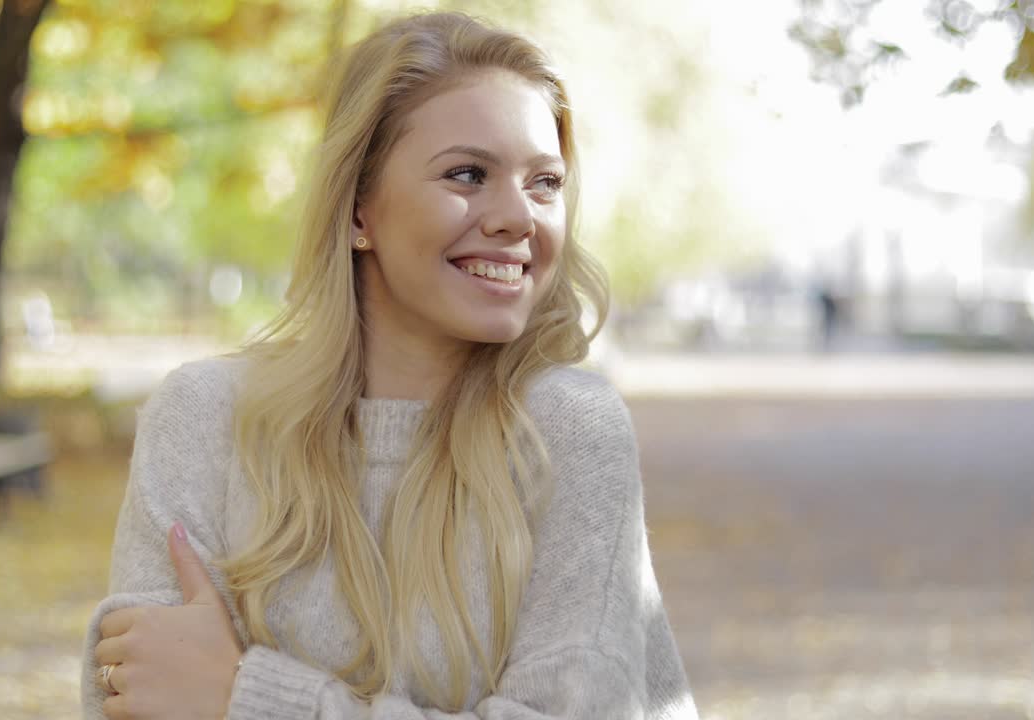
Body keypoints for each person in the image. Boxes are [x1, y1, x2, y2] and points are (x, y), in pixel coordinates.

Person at [81, 11, 698, 719]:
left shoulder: (569, 430)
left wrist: (245, 697)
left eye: (545, 183)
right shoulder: (203, 419)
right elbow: (137, 699)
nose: (518, 217)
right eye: (468, 174)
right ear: (357, 211)